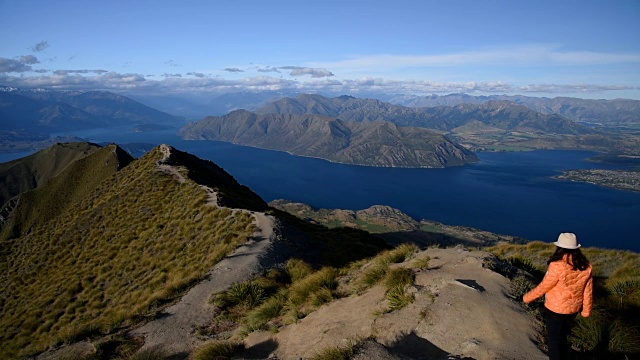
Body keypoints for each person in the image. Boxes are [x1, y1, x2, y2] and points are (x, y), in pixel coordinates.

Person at [523, 233, 593, 360]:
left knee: (554, 342)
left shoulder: (557, 265)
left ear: (559, 248)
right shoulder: (586, 266)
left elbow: (545, 286)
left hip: (555, 310)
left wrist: (528, 297)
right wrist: (586, 311)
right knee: (563, 339)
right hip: (573, 311)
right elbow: (588, 290)